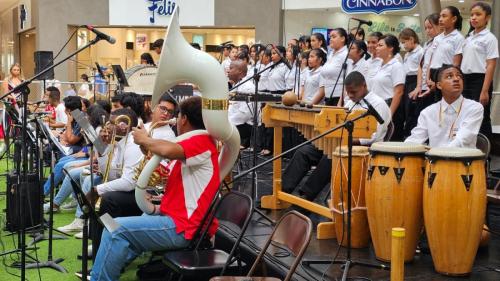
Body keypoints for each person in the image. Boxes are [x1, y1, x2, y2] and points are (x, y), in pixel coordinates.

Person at [90, 96, 219, 281]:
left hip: (184, 227)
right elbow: (164, 170)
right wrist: (146, 146)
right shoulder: (196, 142)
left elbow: (166, 151)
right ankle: (106, 267)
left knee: (114, 228)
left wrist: (145, 139)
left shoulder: (201, 141)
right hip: (175, 217)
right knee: (116, 226)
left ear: (183, 119)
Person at [282, 71, 391, 202]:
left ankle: (305, 196)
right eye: (347, 92)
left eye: (353, 92)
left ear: (364, 86)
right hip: (340, 143)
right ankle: (283, 191)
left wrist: (347, 141)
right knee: (304, 152)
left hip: (362, 149)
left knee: (331, 157)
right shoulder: (350, 103)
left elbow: (374, 136)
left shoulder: (379, 104)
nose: (350, 96)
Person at [405, 65, 483, 148]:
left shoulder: (474, 108)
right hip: (435, 159)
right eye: (449, 76)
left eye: (459, 76)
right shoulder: (428, 112)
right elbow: (415, 139)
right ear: (439, 85)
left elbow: (462, 140)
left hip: (463, 159)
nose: (456, 79)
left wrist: (437, 153)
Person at [454, 2, 498, 139]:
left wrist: (484, 90)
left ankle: (485, 155)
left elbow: (491, 65)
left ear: (487, 17)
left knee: (481, 116)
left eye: (478, 14)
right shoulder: (468, 37)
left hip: (480, 80)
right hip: (464, 79)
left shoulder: (490, 38)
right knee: (465, 114)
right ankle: (467, 149)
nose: (473, 17)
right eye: (472, 14)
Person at [371, 34, 406, 141]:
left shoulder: (396, 65)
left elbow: (399, 92)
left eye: (380, 45)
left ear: (390, 48)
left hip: (390, 107)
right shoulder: (379, 65)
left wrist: (389, 114)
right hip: (377, 107)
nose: (376, 48)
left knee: (389, 141)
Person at [409, 13, 441, 124]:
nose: (427, 31)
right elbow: (422, 65)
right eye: (426, 28)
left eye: (430, 27)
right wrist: (418, 86)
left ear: (439, 25)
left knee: (432, 119)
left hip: (434, 83)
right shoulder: (427, 43)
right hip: (424, 84)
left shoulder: (441, 41)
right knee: (419, 117)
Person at [427, 6, 464, 101]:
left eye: (444, 16)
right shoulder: (437, 38)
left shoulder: (458, 38)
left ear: (454, 19)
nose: (440, 19)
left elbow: (456, 63)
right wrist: (428, 78)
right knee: (434, 108)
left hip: (446, 75)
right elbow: (431, 59)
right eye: (440, 16)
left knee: (446, 105)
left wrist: (445, 78)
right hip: (432, 75)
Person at [399, 28, 424, 137]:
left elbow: (421, 70)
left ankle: (412, 134)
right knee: (405, 109)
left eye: (404, 42)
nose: (403, 45)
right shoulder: (407, 54)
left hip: (415, 80)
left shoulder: (421, 52)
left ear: (411, 39)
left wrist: (418, 86)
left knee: (412, 110)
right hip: (407, 81)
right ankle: (406, 133)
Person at [318, 28, 349, 105]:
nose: (331, 39)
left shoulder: (346, 54)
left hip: (339, 97)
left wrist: (340, 102)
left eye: (334, 37)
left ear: (342, 39)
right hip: (328, 96)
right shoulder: (331, 54)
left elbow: (347, 79)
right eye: (330, 37)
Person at [228, 60, 254, 149]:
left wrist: (225, 123)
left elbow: (245, 114)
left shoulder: (247, 87)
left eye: (231, 68)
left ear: (239, 71)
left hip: (245, 126)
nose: (228, 70)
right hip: (235, 122)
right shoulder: (237, 85)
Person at [0, 63, 23, 154]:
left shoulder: (22, 80)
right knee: (7, 126)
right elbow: (5, 93)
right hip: (10, 105)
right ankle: (6, 146)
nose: (16, 71)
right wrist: (13, 97)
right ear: (11, 70)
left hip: (20, 105)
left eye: (18, 70)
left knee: (20, 126)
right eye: (14, 69)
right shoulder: (7, 80)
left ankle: (20, 148)